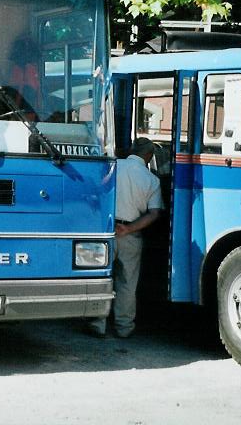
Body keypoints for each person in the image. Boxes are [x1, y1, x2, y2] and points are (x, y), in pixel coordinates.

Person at [87, 137, 163, 338]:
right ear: (149, 155)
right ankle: (124, 327)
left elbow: (94, 194)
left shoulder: (112, 167)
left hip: (105, 230)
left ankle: (98, 322)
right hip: (130, 234)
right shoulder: (152, 180)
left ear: (131, 150)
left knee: (102, 277)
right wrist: (128, 229)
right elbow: (154, 213)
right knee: (127, 282)